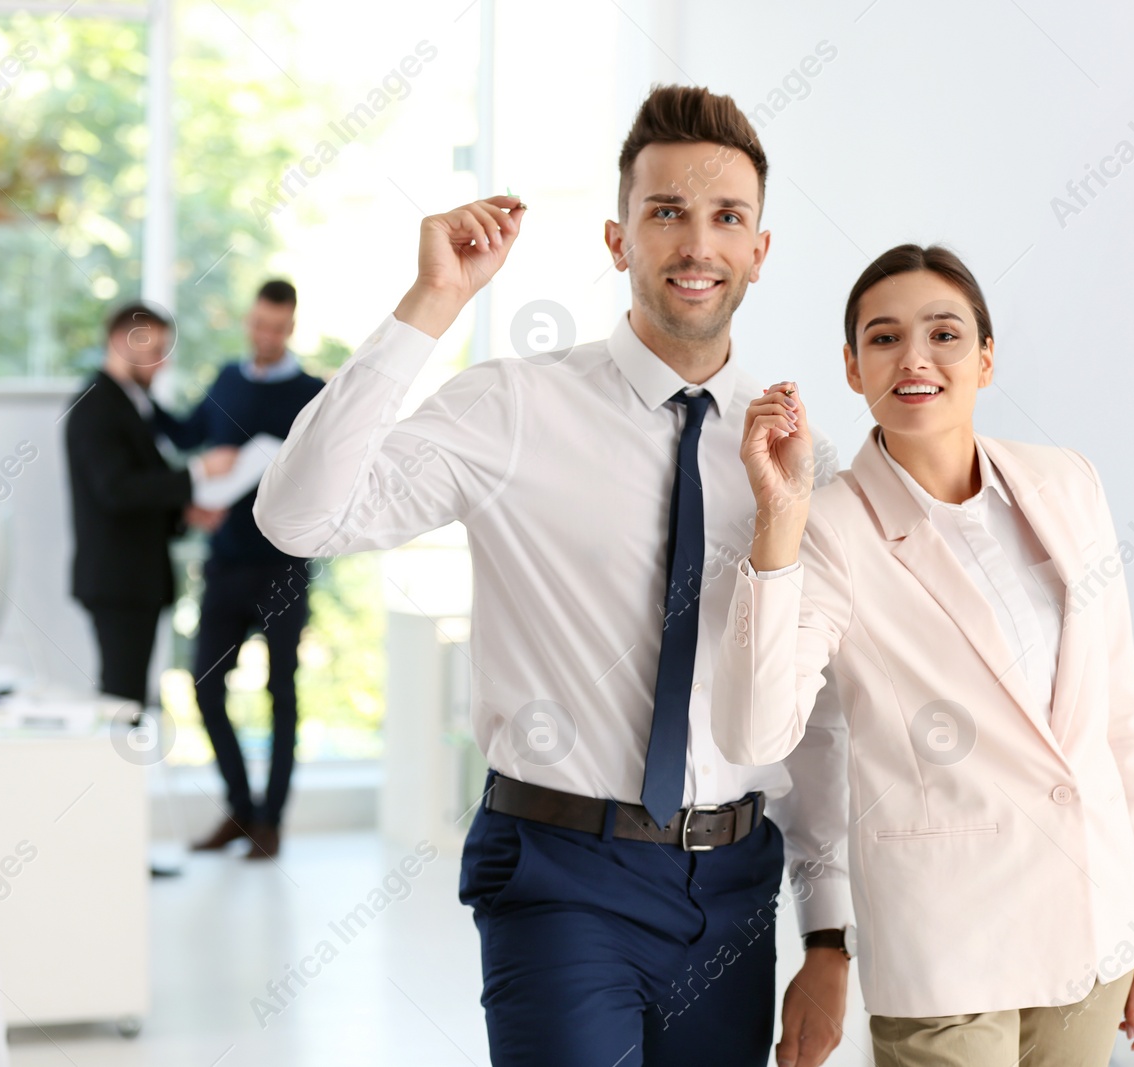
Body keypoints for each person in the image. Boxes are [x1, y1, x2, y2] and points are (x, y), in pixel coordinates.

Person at [252, 86, 853, 1067]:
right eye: (665, 212)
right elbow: (299, 516)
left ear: (758, 249)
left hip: (737, 881)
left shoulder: (794, 456)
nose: (695, 242)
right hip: (561, 870)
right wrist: (432, 303)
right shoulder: (513, 407)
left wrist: (827, 932)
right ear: (618, 239)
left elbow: (817, 717)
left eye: (724, 217)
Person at [711, 244, 1134, 1066]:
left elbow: (1118, 717)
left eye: (945, 334)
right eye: (886, 338)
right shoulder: (829, 524)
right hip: (951, 949)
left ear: (987, 359)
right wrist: (777, 526)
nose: (917, 358)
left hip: (1093, 926)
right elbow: (756, 736)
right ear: (854, 369)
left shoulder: (1068, 483)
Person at [155, 280, 325, 861]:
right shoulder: (228, 379)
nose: (265, 336)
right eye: (258, 324)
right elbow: (188, 434)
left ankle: (270, 823)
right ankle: (240, 809)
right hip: (225, 565)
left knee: (282, 693)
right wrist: (135, 388)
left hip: (283, 569)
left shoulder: (312, 394)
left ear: (291, 328)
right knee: (204, 685)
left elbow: (327, 477)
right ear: (248, 321)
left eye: (277, 328)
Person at [65, 302, 235, 708]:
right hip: (117, 581)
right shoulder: (96, 406)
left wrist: (185, 512)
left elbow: (139, 489)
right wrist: (197, 473)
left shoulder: (131, 404)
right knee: (122, 701)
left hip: (133, 580)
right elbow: (117, 489)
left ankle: (117, 770)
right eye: (155, 349)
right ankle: (110, 773)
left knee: (128, 697)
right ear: (122, 342)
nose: (162, 362)